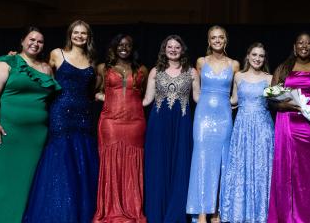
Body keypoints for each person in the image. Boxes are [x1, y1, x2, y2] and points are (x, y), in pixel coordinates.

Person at [0, 27, 61, 223]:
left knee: (25, 183)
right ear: (22, 41)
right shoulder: (7, 63)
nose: (35, 43)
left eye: (40, 41)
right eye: (31, 39)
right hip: (6, 131)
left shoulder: (47, 68)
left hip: (35, 136)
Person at [23, 20, 99, 223]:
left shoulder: (92, 60)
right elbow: (42, 73)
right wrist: (19, 58)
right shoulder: (57, 54)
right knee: (61, 158)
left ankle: (80, 211)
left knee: (81, 158)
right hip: (61, 113)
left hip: (84, 114)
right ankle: (58, 213)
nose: (79, 36)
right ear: (70, 34)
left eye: (83, 33)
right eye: (76, 32)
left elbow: (93, 91)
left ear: (88, 37)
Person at [267, 32, 310, 223]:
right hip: (289, 121)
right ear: (294, 46)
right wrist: (285, 106)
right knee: (290, 171)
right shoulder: (284, 68)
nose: (304, 46)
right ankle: (289, 216)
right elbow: (271, 97)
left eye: (308, 43)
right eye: (300, 43)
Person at [92, 34, 149, 223]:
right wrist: (104, 98)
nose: (124, 48)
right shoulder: (103, 68)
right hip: (111, 122)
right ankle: (110, 209)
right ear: (114, 48)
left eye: (128, 45)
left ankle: (132, 209)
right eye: (120, 45)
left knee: (133, 165)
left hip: (135, 122)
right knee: (111, 164)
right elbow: (94, 92)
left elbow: (146, 96)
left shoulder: (142, 70)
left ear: (132, 49)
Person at [143, 35, 200, 223]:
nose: (173, 50)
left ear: (182, 50)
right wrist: (115, 99)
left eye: (177, 47)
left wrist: (223, 99)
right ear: (164, 49)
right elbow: (147, 100)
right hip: (158, 125)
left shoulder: (191, 72)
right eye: (170, 47)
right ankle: (157, 213)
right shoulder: (155, 71)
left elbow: (198, 98)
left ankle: (175, 214)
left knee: (180, 165)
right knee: (158, 165)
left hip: (182, 125)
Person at [219, 42, 275, 223]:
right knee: (241, 167)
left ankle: (261, 214)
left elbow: (276, 102)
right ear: (248, 56)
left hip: (262, 128)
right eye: (254, 55)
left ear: (264, 59)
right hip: (242, 128)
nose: (257, 59)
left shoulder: (270, 78)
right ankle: (240, 213)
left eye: (261, 56)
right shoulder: (238, 76)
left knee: (261, 168)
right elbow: (234, 100)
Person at [187, 26, 238, 223]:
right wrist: (209, 104)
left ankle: (216, 211)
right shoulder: (201, 62)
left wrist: (226, 103)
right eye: (213, 38)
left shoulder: (234, 64)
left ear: (226, 40)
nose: (217, 40)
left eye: (221, 37)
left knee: (222, 162)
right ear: (208, 41)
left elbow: (235, 95)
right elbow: (197, 93)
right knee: (201, 160)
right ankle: (201, 211)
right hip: (203, 117)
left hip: (224, 117)